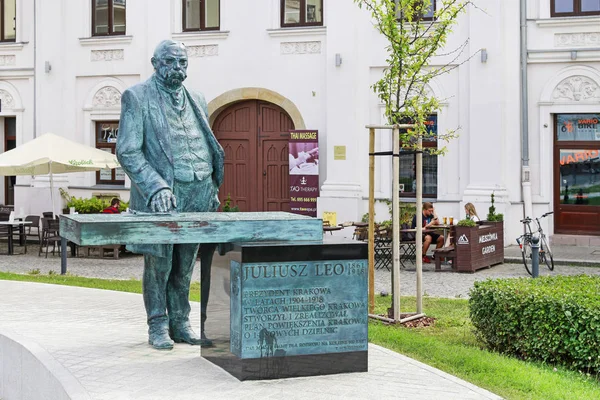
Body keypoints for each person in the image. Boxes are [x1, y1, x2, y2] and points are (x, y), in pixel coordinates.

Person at [116, 40, 224, 350]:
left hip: (199, 191)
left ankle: (181, 321)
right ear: (155, 62)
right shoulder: (137, 97)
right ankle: (157, 324)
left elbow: (204, 141)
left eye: (182, 63)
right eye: (170, 62)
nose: (177, 68)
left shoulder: (198, 98)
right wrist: (155, 186)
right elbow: (127, 150)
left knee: (186, 263)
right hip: (163, 194)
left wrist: (212, 186)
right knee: (159, 263)